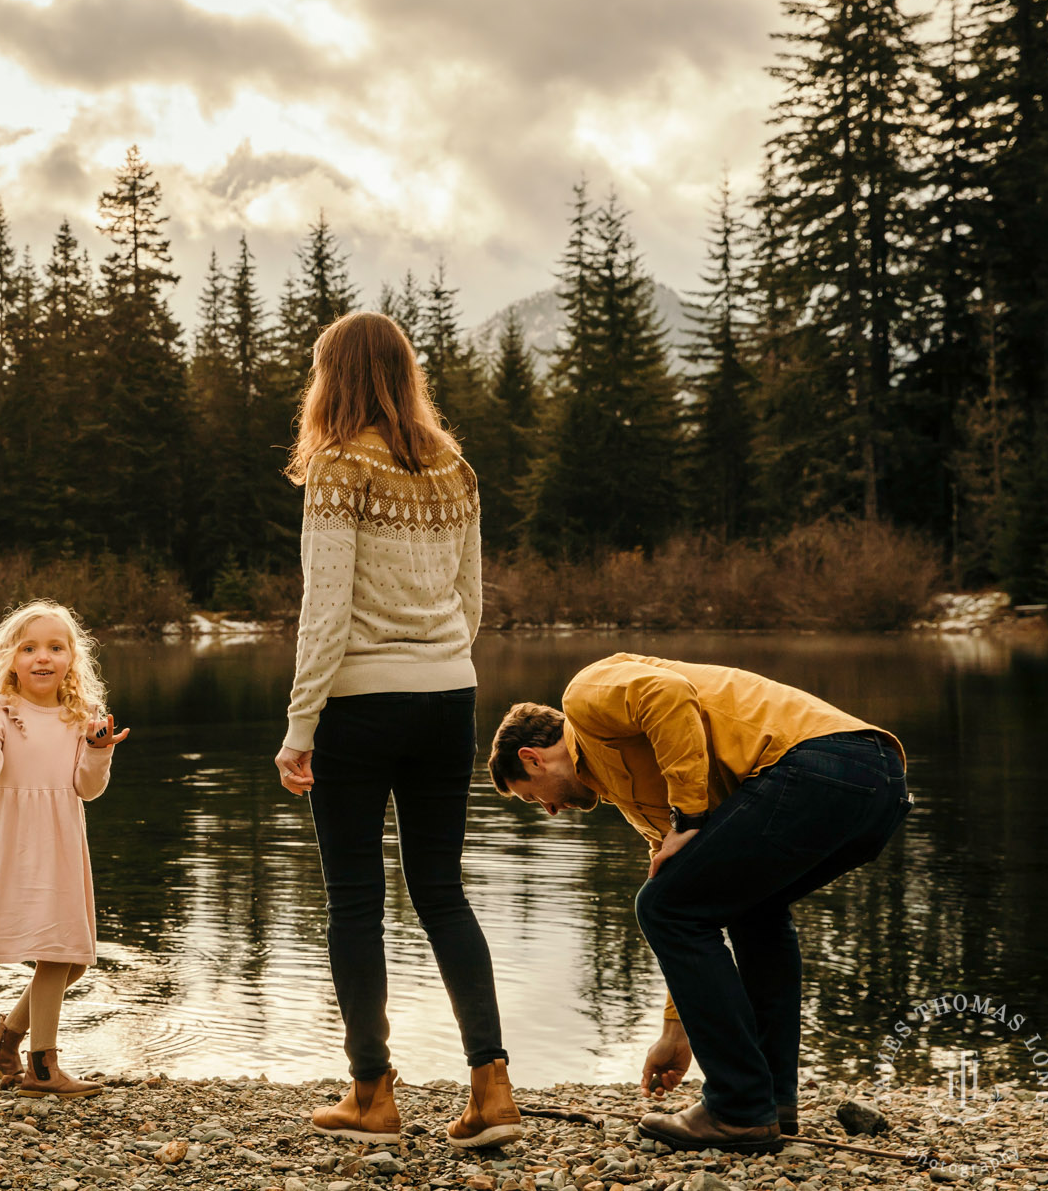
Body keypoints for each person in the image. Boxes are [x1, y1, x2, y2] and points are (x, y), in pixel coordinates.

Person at [487, 653, 911, 1153]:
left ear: (532, 759)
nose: (552, 810)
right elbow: (693, 905)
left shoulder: (585, 697)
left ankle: (736, 1107)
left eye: (535, 797)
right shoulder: (635, 804)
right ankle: (771, 1103)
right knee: (753, 912)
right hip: (876, 786)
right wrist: (675, 1031)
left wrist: (688, 815)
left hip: (825, 763)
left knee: (660, 906)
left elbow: (667, 695)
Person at [271, 310, 521, 1148]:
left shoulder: (340, 466)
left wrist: (299, 726)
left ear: (331, 378)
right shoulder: (456, 467)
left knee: (354, 899)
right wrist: (441, 665)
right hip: (450, 695)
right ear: (404, 372)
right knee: (442, 891)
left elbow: (326, 612)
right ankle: (493, 1091)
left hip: (359, 701)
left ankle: (371, 1095)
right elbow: (473, 600)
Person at [0, 599, 128, 1098]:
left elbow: (87, 789)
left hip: (63, 839)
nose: (42, 657)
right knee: (54, 950)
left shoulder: (80, 714)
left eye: (55, 647)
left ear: (72, 658)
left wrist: (98, 749)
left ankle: (5, 1040)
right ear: (11, 659)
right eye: (29, 648)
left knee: (75, 957)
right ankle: (43, 1069)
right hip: (19, 840)